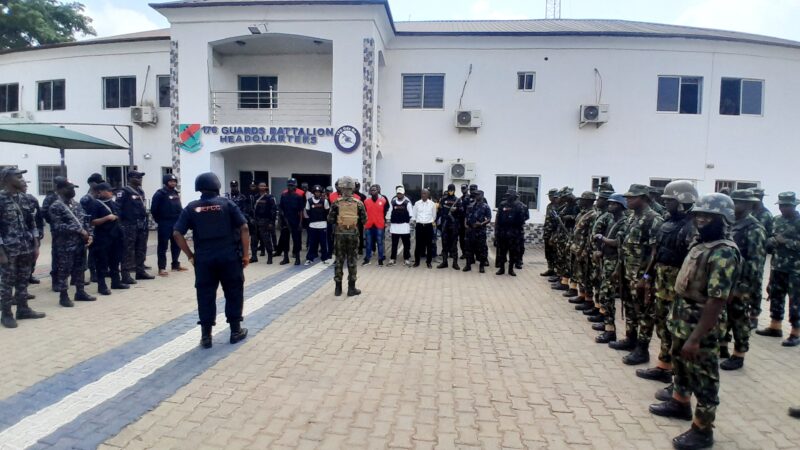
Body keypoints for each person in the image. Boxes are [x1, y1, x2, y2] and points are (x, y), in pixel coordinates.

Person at [648, 193, 740, 450]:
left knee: (705, 378)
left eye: (708, 216)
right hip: (682, 319)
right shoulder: (700, 244)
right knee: (682, 367)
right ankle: (679, 403)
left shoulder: (723, 253)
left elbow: (716, 301)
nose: (701, 220)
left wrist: (696, 338)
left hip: (701, 325)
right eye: (698, 214)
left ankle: (703, 429)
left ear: (723, 219)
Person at [173, 172, 250, 349]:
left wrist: (190, 256)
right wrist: (246, 255)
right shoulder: (227, 204)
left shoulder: (192, 208)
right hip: (229, 257)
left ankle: (206, 336)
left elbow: (177, 233)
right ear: (217, 186)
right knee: (233, 292)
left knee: (205, 295)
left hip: (204, 259)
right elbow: (244, 227)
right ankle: (235, 331)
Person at [636, 180, 697, 382]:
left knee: (677, 330)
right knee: (662, 326)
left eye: (669, 201)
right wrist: (646, 277)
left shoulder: (692, 227)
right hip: (661, 284)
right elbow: (657, 253)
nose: (665, 204)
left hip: (680, 288)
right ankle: (664, 365)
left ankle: (678, 376)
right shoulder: (666, 223)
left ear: (682, 201)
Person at [611, 184, 663, 361]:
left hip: (641, 276)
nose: (628, 200)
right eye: (627, 197)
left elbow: (655, 253)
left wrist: (646, 277)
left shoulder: (654, 219)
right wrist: (619, 269)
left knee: (644, 313)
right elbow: (625, 246)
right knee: (630, 308)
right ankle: (630, 339)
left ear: (645, 198)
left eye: (633, 197)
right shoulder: (631, 217)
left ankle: (642, 349)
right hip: (628, 272)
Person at [720, 190, 766, 370]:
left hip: (741, 283)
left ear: (748, 205)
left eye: (738, 202)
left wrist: (744, 287)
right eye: (733, 202)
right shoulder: (730, 223)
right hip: (726, 280)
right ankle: (722, 347)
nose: (734, 205)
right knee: (723, 316)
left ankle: (739, 354)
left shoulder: (754, 228)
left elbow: (757, 262)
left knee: (739, 319)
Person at [0, 168, 46, 328]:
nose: (22, 179)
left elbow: (31, 222)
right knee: (7, 282)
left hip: (25, 247)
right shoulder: (0, 199)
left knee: (23, 280)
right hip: (8, 250)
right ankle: (6, 314)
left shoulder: (25, 198)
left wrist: (35, 243)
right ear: (7, 178)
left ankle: (23, 309)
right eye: (18, 176)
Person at [757, 191, 800, 346]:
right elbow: (771, 237)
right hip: (777, 266)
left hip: (795, 270)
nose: (782, 208)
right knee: (775, 296)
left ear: (793, 206)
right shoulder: (776, 220)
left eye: (786, 205)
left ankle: (796, 332)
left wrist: (785, 242)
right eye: (781, 205)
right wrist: (770, 241)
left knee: (795, 301)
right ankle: (775, 327)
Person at [50, 177, 95, 307]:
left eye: (73, 188)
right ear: (60, 189)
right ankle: (63, 296)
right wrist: (80, 231)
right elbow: (57, 227)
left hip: (80, 244)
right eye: (69, 188)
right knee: (64, 270)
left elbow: (86, 220)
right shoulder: (56, 206)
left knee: (80, 268)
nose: (72, 190)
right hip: (65, 245)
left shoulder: (75, 204)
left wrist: (90, 234)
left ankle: (80, 292)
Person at [593, 193, 628, 344]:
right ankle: (608, 325)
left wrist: (602, 239)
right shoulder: (613, 220)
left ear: (620, 206)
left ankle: (610, 331)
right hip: (607, 260)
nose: (610, 206)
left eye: (613, 204)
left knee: (607, 295)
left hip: (614, 263)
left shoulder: (623, 222)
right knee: (603, 295)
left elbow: (617, 242)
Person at [328, 176, 367, 296]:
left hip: (339, 234)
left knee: (339, 260)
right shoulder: (359, 203)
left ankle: (338, 288)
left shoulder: (336, 202)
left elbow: (330, 219)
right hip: (353, 235)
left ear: (341, 188)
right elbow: (364, 220)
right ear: (353, 188)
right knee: (352, 260)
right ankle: (351, 288)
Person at [88, 182, 128, 294]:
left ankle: (116, 282)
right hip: (103, 237)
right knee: (102, 262)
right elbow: (92, 222)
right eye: (109, 190)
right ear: (100, 192)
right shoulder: (95, 204)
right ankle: (102, 286)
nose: (111, 192)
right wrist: (106, 218)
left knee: (115, 260)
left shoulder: (113, 203)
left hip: (115, 235)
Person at [117, 170, 153, 283]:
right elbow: (118, 209)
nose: (140, 180)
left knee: (141, 248)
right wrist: (121, 224)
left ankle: (140, 271)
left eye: (140, 177)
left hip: (141, 224)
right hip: (129, 225)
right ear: (130, 178)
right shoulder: (124, 192)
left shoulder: (140, 191)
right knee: (128, 250)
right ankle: (125, 274)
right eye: (137, 177)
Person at [150, 173, 186, 276]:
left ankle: (175, 264)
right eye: (171, 181)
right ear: (166, 182)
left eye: (174, 181)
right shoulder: (160, 194)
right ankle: (161, 268)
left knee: (176, 245)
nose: (173, 183)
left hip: (176, 223)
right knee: (163, 246)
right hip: (164, 223)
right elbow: (154, 210)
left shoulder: (175, 193)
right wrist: (160, 221)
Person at [570, 192, 598, 311]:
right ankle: (581, 295)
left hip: (585, 250)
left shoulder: (593, 215)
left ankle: (588, 299)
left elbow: (589, 235)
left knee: (586, 275)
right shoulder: (583, 212)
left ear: (589, 201)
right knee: (580, 274)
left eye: (582, 199)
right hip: (577, 247)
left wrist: (585, 251)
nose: (580, 201)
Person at [495, 189, 529, 276]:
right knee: (502, 252)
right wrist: (497, 232)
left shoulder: (519, 206)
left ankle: (511, 269)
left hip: (514, 233)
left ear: (514, 197)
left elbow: (522, 220)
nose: (508, 197)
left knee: (513, 252)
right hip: (503, 232)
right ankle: (501, 269)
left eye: (510, 195)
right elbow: (498, 219)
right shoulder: (502, 204)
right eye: (507, 195)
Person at [81, 173, 104, 283]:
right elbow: (85, 216)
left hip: (98, 227)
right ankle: (92, 273)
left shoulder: (98, 197)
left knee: (97, 251)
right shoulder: (86, 198)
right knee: (91, 251)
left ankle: (99, 271)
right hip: (89, 228)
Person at [462, 190, 492, 273]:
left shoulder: (485, 206)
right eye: (475, 195)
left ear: (482, 195)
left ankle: (481, 266)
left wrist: (481, 223)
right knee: (468, 249)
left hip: (480, 231)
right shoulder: (470, 205)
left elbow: (489, 218)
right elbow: (466, 216)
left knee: (481, 249)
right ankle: (468, 265)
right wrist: (465, 224)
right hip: (470, 230)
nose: (476, 196)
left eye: (478, 195)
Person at [278, 178, 305, 265]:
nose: (290, 187)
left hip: (295, 221)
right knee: (285, 240)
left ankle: (297, 258)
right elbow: (281, 209)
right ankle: (286, 258)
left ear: (295, 186)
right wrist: (281, 221)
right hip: (285, 221)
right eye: (289, 185)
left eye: (292, 185)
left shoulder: (298, 197)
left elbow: (301, 211)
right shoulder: (284, 195)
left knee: (296, 240)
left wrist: (301, 223)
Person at [227, 181, 256, 262]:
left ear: (237, 186)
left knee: (244, 238)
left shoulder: (243, 197)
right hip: (231, 223)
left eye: (235, 186)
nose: (234, 187)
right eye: (232, 186)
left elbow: (247, 209)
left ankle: (245, 255)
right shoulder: (227, 198)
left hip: (241, 221)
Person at [387, 186, 413, 266]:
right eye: (398, 193)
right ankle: (392, 259)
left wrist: (411, 224)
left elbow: (411, 215)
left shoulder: (407, 203)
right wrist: (388, 222)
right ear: (396, 194)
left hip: (404, 227)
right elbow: (389, 214)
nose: (399, 195)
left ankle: (406, 259)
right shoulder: (393, 202)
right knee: (394, 244)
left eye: (401, 193)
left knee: (406, 244)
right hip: (395, 227)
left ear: (403, 194)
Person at [305, 185, 331, 264]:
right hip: (312, 225)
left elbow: (327, 211)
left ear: (320, 193)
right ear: (313, 193)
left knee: (323, 243)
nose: (317, 193)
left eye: (319, 192)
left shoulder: (324, 201)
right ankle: (310, 258)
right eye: (316, 192)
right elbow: (308, 211)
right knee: (312, 243)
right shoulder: (309, 201)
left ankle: (325, 258)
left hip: (322, 225)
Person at [252, 181, 277, 264]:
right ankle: (254, 256)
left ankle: (270, 257)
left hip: (265, 221)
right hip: (256, 221)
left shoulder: (269, 197)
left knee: (266, 240)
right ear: (258, 187)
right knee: (254, 240)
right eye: (260, 186)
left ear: (266, 187)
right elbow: (253, 209)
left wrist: (271, 222)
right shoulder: (255, 197)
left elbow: (273, 210)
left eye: (264, 186)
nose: (262, 187)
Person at [437, 184, 460, 270]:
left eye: (452, 190)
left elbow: (461, 212)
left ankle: (455, 263)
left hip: (454, 226)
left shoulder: (457, 200)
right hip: (445, 225)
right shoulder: (443, 199)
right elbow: (439, 211)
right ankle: (444, 262)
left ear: (454, 190)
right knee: (444, 245)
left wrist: (456, 209)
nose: (451, 191)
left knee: (454, 245)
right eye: (449, 189)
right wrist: (438, 223)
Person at [412, 189, 437, 268]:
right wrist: (416, 222)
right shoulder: (417, 203)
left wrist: (429, 222)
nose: (423, 195)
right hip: (419, 226)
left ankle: (428, 262)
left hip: (428, 226)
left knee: (429, 245)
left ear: (428, 195)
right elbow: (414, 215)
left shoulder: (432, 204)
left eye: (425, 193)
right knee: (418, 245)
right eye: (422, 193)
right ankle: (417, 262)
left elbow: (434, 216)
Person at [363, 185, 387, 266]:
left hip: (379, 224)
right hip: (369, 225)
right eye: (372, 190)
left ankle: (380, 260)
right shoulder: (366, 202)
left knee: (380, 243)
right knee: (368, 243)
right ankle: (367, 259)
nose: (373, 191)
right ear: (370, 192)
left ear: (378, 191)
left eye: (375, 190)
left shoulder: (383, 201)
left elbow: (385, 211)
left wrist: (385, 221)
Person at [25, 189, 44, 285]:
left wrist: (41, 230)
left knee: (33, 256)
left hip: (33, 233)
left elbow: (39, 216)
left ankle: (29, 275)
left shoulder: (31, 199)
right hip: (18, 235)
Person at [541, 188, 560, 277]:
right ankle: (550, 268)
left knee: (555, 252)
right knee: (548, 252)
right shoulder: (549, 206)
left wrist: (554, 234)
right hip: (547, 232)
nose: (549, 197)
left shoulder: (560, 206)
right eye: (549, 196)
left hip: (554, 233)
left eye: (551, 196)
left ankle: (557, 271)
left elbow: (558, 222)